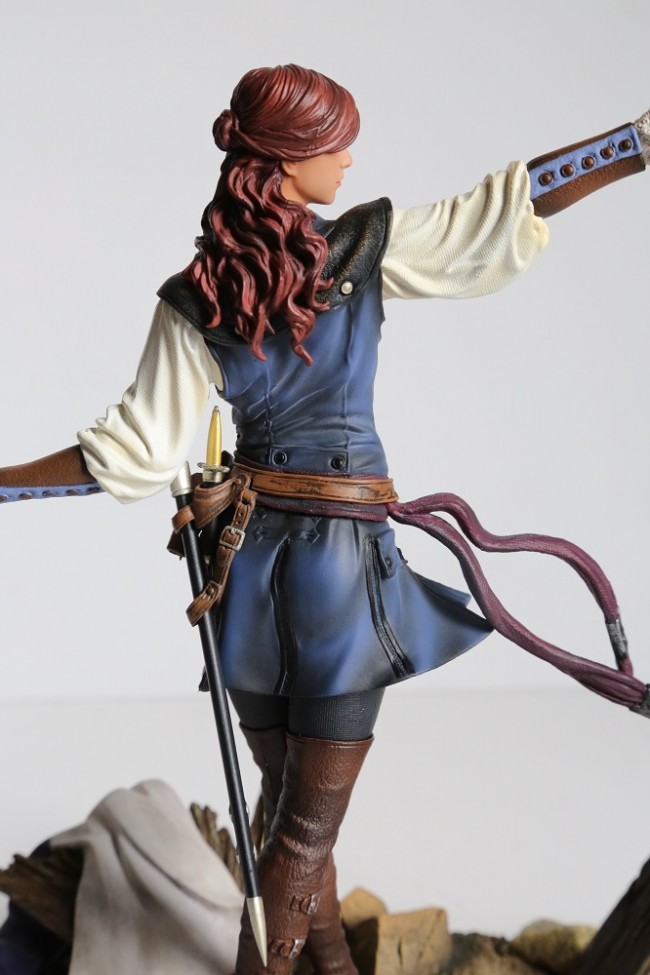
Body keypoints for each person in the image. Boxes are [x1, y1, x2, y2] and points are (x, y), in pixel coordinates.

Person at [1, 64, 649, 974]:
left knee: (288, 810)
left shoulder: (196, 297)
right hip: (338, 574)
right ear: (285, 161)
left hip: (246, 571)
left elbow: (132, 455)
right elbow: (501, 209)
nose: (348, 160)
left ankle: (334, 961)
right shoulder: (362, 252)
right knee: (301, 831)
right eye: (335, 145)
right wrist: (634, 145)